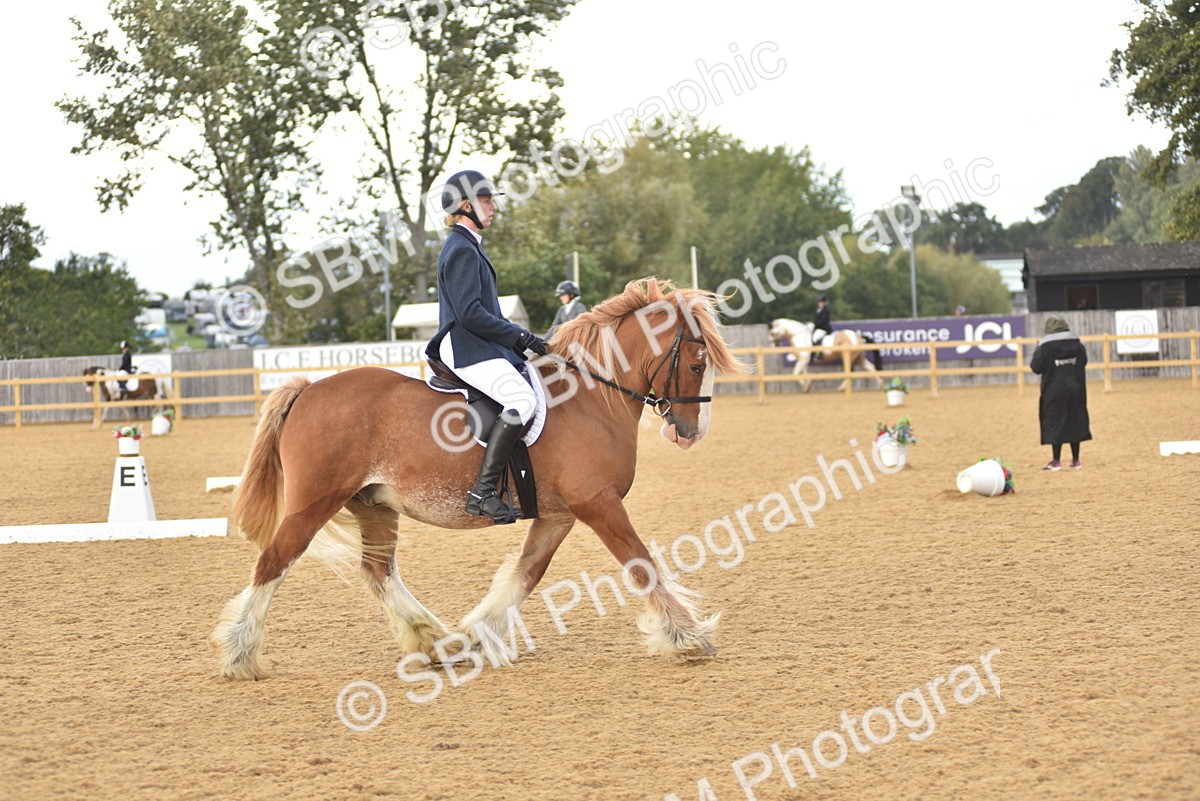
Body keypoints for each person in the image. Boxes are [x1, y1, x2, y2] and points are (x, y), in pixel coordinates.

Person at [426, 169, 548, 523]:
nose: (493, 207)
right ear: (466, 206)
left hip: (476, 341)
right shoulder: (461, 249)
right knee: (522, 400)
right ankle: (482, 491)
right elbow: (470, 314)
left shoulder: (468, 246)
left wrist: (518, 343)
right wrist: (518, 335)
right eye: (486, 200)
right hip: (465, 345)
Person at [1030, 316, 1092, 470]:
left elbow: (1036, 367)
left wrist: (1038, 348)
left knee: (1055, 421)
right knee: (1075, 419)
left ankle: (1056, 461)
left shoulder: (1045, 347)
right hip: (1076, 387)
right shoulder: (1078, 345)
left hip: (1054, 390)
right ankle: (1076, 460)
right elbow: (1084, 362)